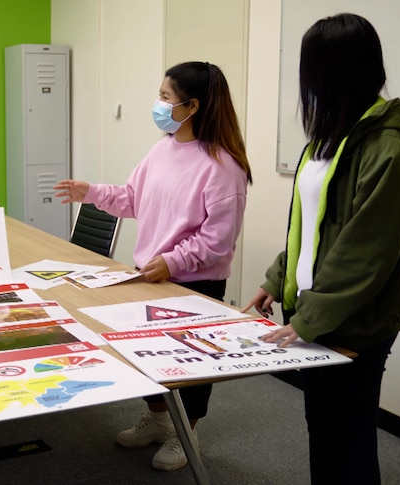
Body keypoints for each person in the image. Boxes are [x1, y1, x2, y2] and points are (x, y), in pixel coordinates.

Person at [241, 13, 400, 484]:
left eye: (313, 71)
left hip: (356, 323)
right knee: (321, 429)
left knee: (350, 437)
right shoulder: (327, 138)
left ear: (338, 71)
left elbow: (365, 252)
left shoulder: (390, 147)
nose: (307, 84)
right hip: (314, 315)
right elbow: (308, 228)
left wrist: (308, 318)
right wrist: (275, 281)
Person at [54, 61, 252, 471]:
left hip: (195, 285)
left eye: (165, 97)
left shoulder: (222, 166)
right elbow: (132, 197)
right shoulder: (163, 147)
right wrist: (90, 192)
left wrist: (174, 260)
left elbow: (218, 241)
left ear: (192, 105)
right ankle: (160, 421)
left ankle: (187, 434)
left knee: (192, 366)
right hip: (151, 276)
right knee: (148, 358)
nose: (158, 105)